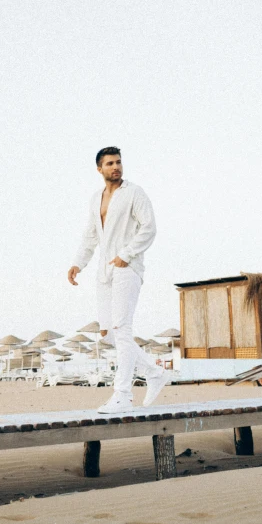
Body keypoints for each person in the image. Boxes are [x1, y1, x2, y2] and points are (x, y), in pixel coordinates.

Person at [67, 146, 173, 413]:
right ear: (99, 169)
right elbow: (91, 236)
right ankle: (153, 372)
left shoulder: (134, 193)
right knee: (107, 334)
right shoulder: (95, 199)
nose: (116, 167)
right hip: (103, 272)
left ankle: (123, 394)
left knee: (122, 330)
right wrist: (78, 263)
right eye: (110, 163)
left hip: (127, 267)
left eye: (119, 162)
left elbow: (149, 228)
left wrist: (126, 254)